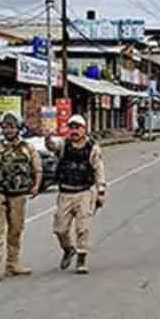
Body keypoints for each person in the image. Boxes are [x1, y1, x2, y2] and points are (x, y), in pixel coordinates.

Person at [0, 112, 42, 281]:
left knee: (16, 229)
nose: (8, 130)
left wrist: (36, 186)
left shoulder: (27, 148)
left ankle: (13, 263)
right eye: (5, 127)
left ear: (18, 128)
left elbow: (37, 168)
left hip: (18, 194)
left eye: (12, 127)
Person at [46, 114, 107, 275]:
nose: (74, 131)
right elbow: (52, 147)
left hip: (84, 192)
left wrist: (101, 190)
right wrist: (48, 138)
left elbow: (99, 169)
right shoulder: (64, 145)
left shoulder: (92, 148)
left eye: (77, 128)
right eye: (71, 128)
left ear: (84, 129)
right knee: (60, 229)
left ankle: (81, 258)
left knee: (82, 228)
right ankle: (68, 249)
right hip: (65, 193)